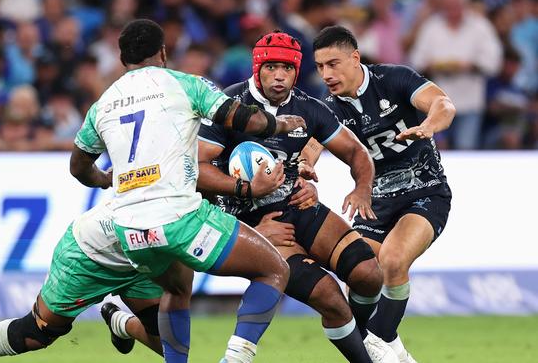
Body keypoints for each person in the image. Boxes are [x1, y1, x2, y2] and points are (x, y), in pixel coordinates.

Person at [70, 19, 305, 363]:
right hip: (179, 217)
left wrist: (105, 179)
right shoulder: (185, 85)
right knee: (274, 270)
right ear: (164, 52)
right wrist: (279, 123)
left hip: (129, 229)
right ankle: (235, 359)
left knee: (177, 288)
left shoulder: (103, 104)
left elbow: (78, 167)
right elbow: (242, 119)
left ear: (123, 60)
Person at [197, 31, 397, 363]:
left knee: (368, 274)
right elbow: (197, 170)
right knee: (330, 297)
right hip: (256, 223)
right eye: (272, 67)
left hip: (297, 206)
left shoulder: (307, 108)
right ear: (257, 68)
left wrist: (361, 189)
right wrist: (247, 222)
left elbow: (357, 152)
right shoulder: (228, 107)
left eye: (287, 68)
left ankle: (362, 338)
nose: (280, 75)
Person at [313, 25, 456, 363]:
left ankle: (383, 341)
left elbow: (443, 103)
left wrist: (428, 126)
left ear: (355, 58)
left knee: (392, 261)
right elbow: (311, 144)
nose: (326, 74)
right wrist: (304, 164)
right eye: (320, 67)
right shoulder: (328, 108)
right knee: (360, 276)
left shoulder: (393, 79)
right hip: (375, 204)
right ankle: (391, 354)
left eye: (333, 64)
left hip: (425, 192)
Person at [0, 191, 165, 363]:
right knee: (36, 334)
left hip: (142, 253)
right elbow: (80, 166)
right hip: (92, 252)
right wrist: (100, 177)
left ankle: (120, 323)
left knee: (171, 343)